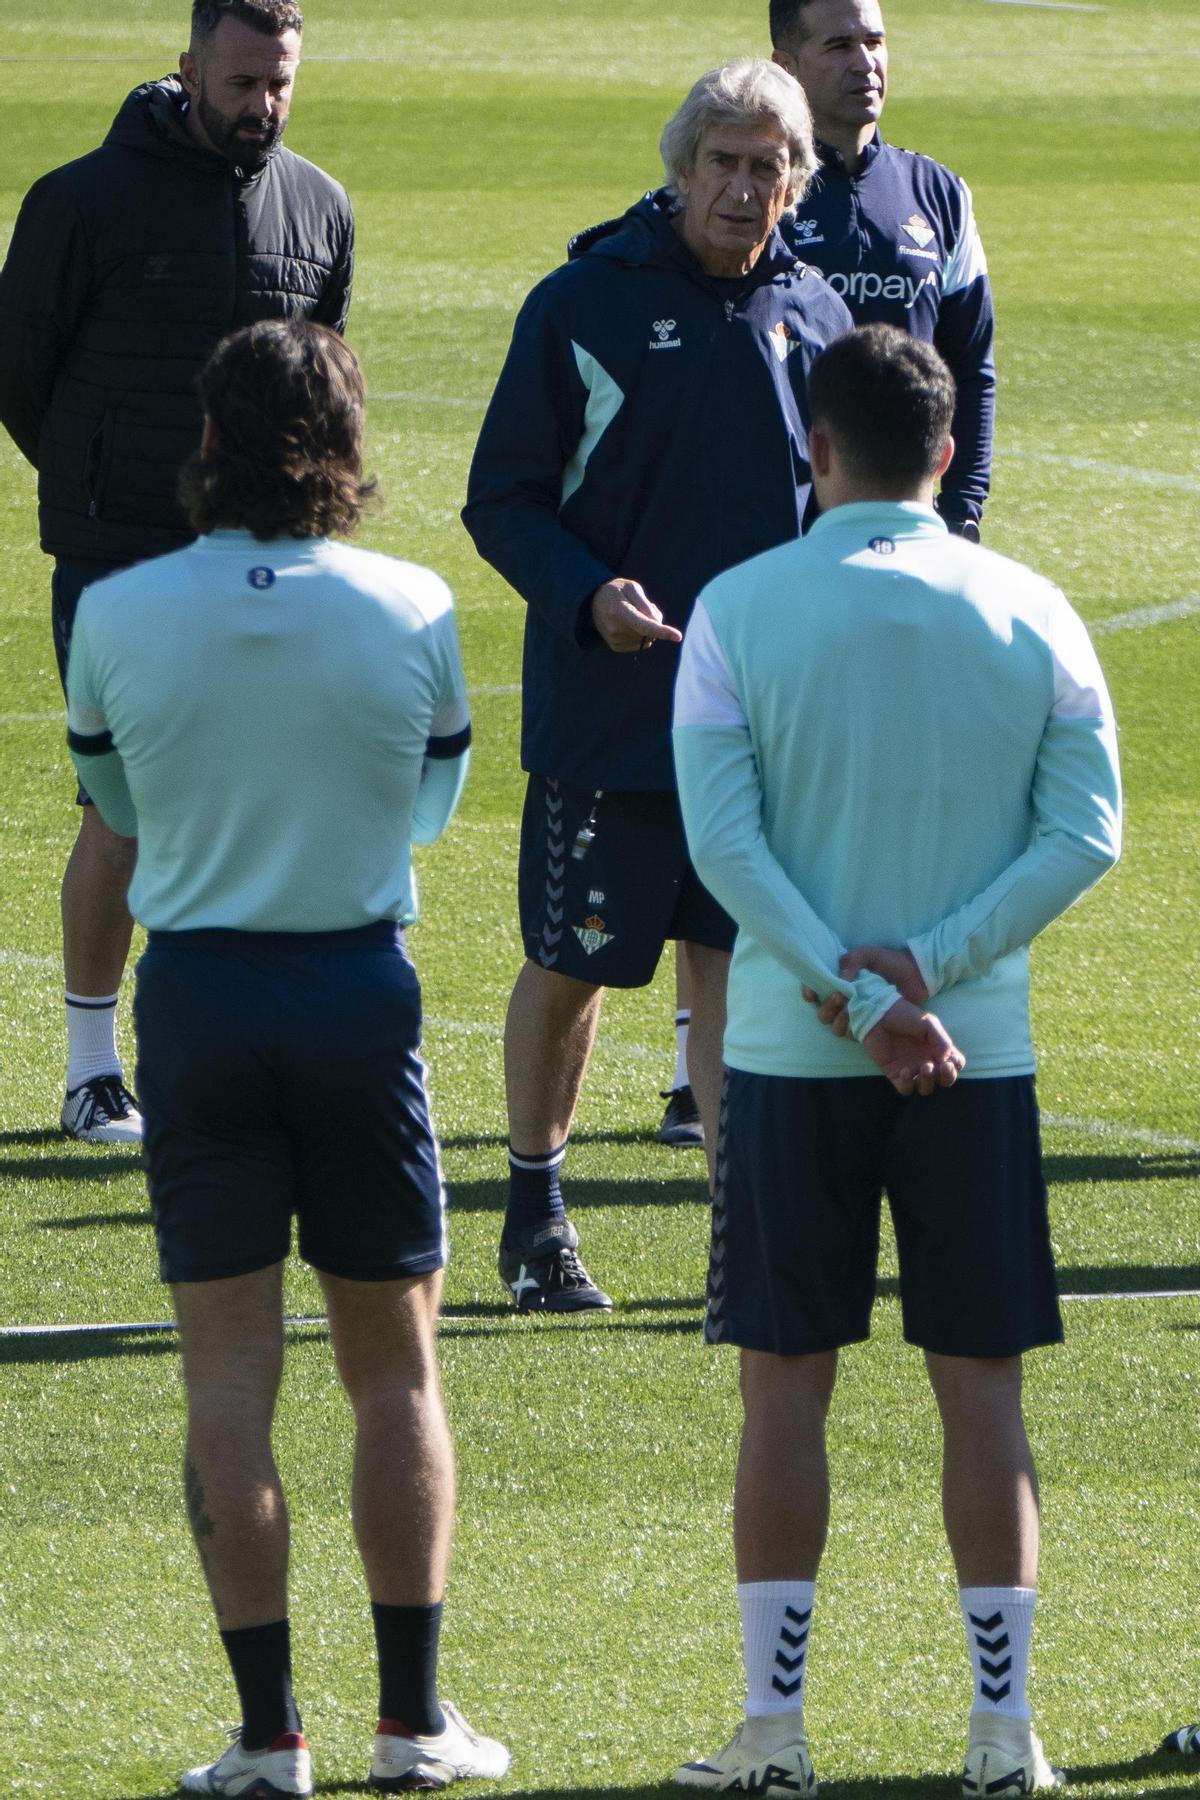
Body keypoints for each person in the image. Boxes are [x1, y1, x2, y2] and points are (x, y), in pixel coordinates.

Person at [670, 324, 1121, 1796]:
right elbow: (1085, 836)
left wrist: (854, 996)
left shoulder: (736, 610)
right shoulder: (1032, 609)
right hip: (973, 1060)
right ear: (943, 451)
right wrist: (934, 969)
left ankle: (776, 1738)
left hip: (794, 1069)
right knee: (980, 1392)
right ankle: (1006, 1738)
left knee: (781, 1394)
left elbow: (726, 849)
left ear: (817, 445)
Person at [65, 320, 507, 1797]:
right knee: (395, 1373)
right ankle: (412, 1725)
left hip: (197, 1003)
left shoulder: (117, 614)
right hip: (355, 995)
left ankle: (269, 1744)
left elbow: (113, 807)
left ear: (208, 438)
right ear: (348, 442)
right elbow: (432, 816)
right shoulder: (415, 603)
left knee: (228, 1380)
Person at [462, 59, 852, 1314]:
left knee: (738, 964)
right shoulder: (583, 302)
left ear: (799, 180)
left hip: (763, 722)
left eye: (769, 166)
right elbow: (502, 498)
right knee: (574, 966)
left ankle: (739, 1237)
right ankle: (534, 1217)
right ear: (681, 171)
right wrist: (588, 598)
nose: (745, 188)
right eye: (724, 164)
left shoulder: (823, 316)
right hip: (611, 713)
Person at [0, 0, 354, 1145]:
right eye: (244, 82)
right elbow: (21, 375)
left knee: (265, 803)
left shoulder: (320, 206)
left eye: (281, 85)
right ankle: (92, 1069)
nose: (264, 106)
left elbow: (321, 386)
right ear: (191, 66)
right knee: (130, 807)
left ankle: (233, 1061)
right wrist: (103, 481)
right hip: (120, 556)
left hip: (272, 559)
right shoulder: (80, 201)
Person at [655, 0, 996, 1149]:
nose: (869, 64)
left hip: (908, 551)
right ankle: (717, 1045)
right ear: (789, 61)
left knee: (865, 791)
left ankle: (863, 994)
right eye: (842, 44)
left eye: (879, 41)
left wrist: (963, 519)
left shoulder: (933, 196)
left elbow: (973, 365)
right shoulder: (772, 208)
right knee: (768, 801)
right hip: (789, 567)